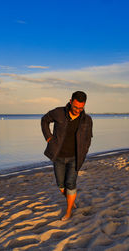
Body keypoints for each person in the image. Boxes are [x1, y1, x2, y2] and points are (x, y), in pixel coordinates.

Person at [41, 91, 93, 221]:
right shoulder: (59, 112)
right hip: (58, 156)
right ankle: (71, 200)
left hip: (75, 157)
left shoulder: (87, 120)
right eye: (75, 107)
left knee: (70, 183)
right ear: (70, 102)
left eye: (81, 108)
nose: (78, 110)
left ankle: (69, 211)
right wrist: (48, 138)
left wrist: (84, 151)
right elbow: (44, 120)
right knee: (61, 184)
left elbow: (88, 138)